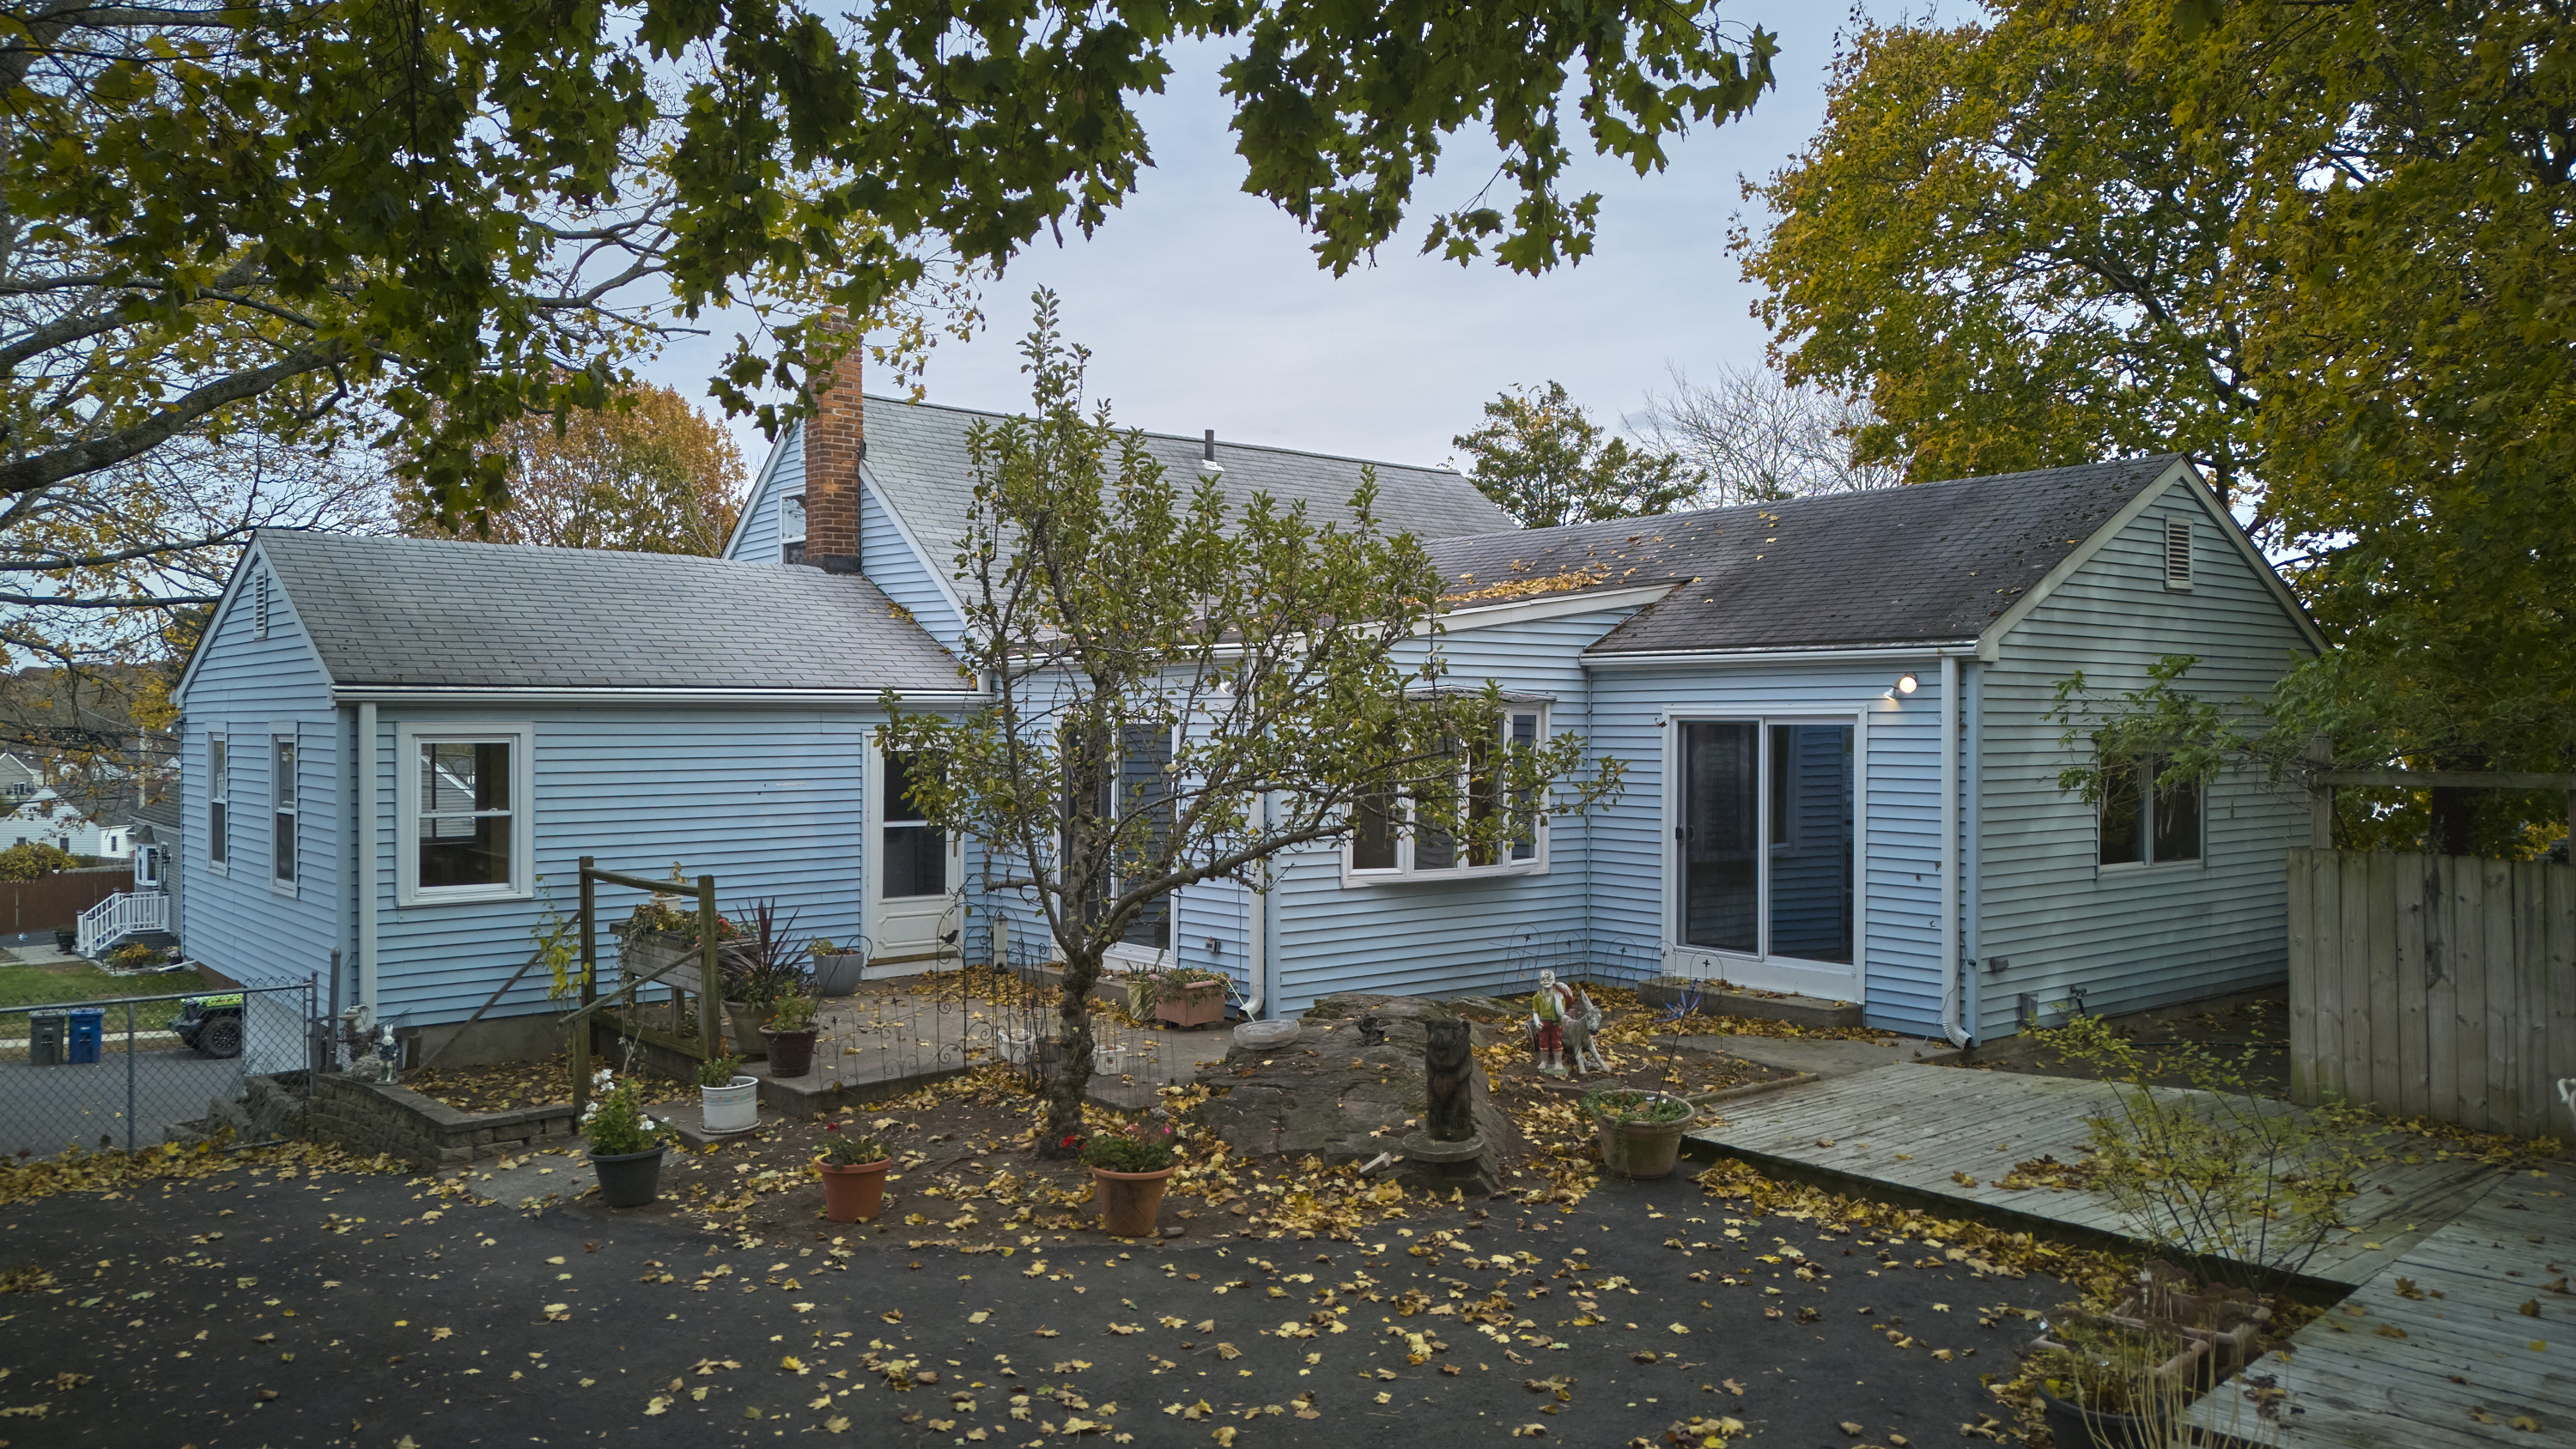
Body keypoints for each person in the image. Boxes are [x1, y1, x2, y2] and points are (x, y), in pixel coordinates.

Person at [1529, 969, 1577, 1076]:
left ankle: (1558, 1062)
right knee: (1543, 1042)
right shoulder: (1537, 997)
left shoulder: (1559, 996)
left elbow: (1561, 1013)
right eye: (1543, 979)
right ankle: (1544, 1061)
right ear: (1539, 981)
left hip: (1555, 1024)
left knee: (1557, 1043)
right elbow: (1535, 1012)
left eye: (1549, 979)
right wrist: (1536, 1021)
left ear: (1554, 980)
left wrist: (1558, 1001)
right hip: (1543, 1024)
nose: (1546, 981)